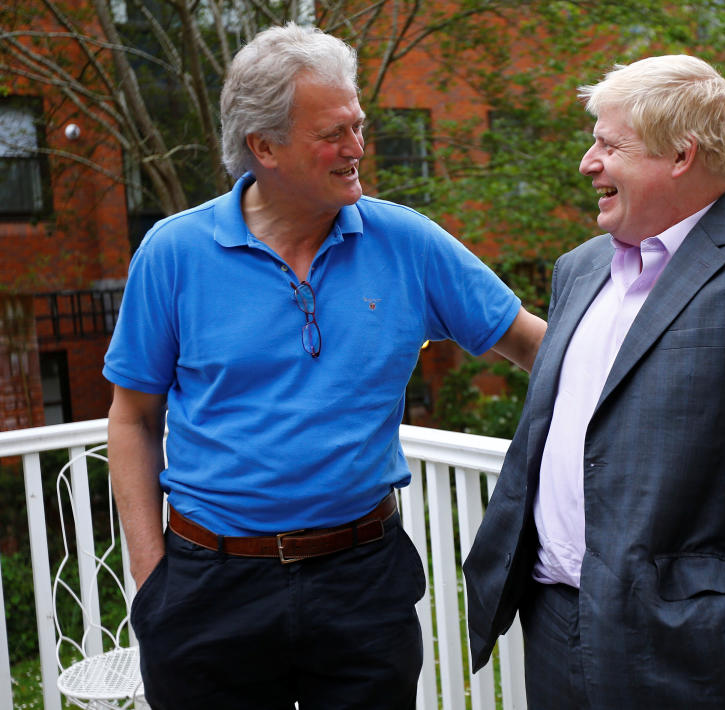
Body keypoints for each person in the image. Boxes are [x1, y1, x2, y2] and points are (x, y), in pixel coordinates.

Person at [104, 22, 545, 710]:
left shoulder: (406, 241)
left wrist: (658, 364)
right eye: (333, 134)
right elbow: (131, 418)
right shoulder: (173, 252)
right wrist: (151, 578)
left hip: (362, 582)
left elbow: (530, 345)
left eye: (358, 126)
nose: (357, 149)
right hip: (207, 589)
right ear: (264, 147)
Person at [463, 54, 725, 710]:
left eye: (607, 143)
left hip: (692, 649)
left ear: (680, 156)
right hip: (553, 626)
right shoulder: (579, 268)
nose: (586, 163)